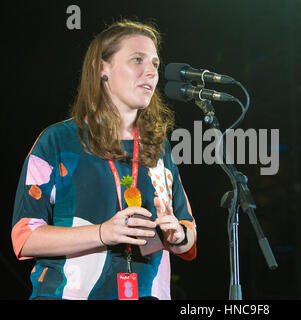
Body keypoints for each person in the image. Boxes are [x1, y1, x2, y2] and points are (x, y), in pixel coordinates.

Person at [11, 19, 197, 300]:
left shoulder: (158, 148)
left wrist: (178, 236)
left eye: (155, 64)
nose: (151, 72)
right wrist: (102, 233)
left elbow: (188, 233)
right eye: (137, 60)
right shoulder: (57, 141)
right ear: (103, 69)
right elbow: (24, 237)